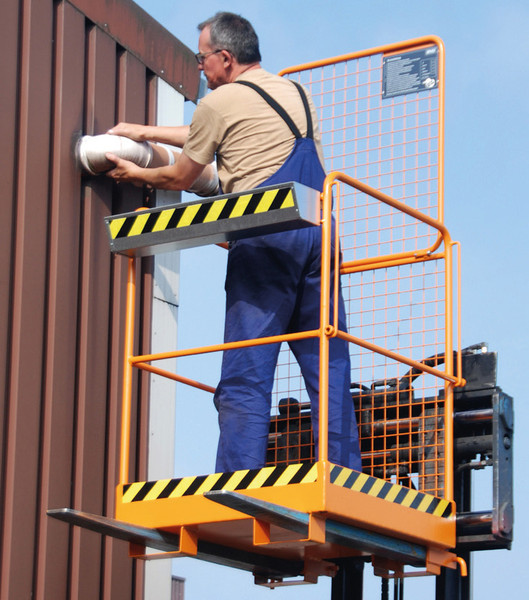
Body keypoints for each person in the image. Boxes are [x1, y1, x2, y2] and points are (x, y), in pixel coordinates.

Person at [105, 12, 361, 473]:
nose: (200, 69)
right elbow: (210, 133)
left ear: (224, 58)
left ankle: (238, 481)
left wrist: (135, 171)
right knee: (329, 367)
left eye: (203, 59)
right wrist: (141, 131)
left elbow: (183, 172)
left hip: (267, 237)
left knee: (247, 371)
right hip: (320, 233)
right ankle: (341, 476)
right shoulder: (293, 92)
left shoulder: (218, 104)